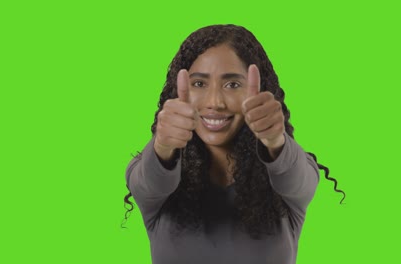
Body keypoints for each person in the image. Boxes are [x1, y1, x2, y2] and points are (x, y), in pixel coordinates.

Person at [122, 24, 345, 264]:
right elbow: (149, 182)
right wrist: (164, 146)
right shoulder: (151, 177)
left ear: (259, 91)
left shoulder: (289, 178)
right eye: (199, 83)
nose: (215, 102)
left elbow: (297, 177)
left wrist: (275, 141)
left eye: (232, 85)